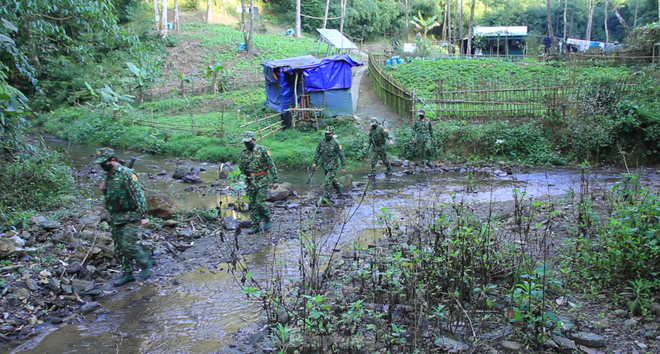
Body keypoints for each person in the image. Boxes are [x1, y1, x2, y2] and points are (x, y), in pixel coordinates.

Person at [95, 148, 153, 286]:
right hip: (115, 216)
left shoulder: (127, 174)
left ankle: (146, 262)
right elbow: (113, 196)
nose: (102, 165)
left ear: (113, 160)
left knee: (128, 245)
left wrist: (144, 216)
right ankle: (127, 273)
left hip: (130, 215)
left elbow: (138, 195)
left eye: (104, 162)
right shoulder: (109, 175)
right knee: (119, 248)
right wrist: (104, 190)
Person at [238, 131, 280, 234]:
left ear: (254, 140)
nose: (247, 144)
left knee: (260, 203)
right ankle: (255, 225)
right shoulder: (244, 153)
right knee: (252, 204)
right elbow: (241, 168)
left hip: (262, 180)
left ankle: (267, 218)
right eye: (245, 142)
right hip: (250, 181)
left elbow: (271, 165)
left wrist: (275, 180)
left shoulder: (263, 150)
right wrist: (238, 181)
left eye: (249, 142)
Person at [312, 126, 346, 205]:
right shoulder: (322, 142)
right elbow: (318, 152)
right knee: (330, 179)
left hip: (333, 165)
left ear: (333, 134)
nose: (327, 135)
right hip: (324, 164)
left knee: (328, 181)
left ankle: (327, 197)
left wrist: (343, 167)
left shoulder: (337, 143)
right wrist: (315, 162)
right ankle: (339, 187)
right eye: (326, 133)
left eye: (329, 134)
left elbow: (341, 155)